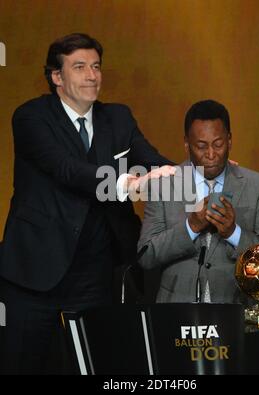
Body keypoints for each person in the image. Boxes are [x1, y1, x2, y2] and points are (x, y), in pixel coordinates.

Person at [0, 33, 175, 374]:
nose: (91, 75)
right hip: (33, 271)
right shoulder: (31, 117)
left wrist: (201, 177)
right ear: (56, 77)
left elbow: (153, 162)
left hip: (96, 273)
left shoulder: (119, 118)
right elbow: (67, 169)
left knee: (99, 366)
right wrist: (128, 183)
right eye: (79, 67)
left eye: (96, 66)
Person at [138, 99, 259, 304]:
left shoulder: (256, 185)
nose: (211, 154)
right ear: (187, 144)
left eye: (218, 144)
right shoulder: (163, 185)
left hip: (236, 310)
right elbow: (147, 255)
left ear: (229, 140)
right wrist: (191, 226)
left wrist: (234, 233)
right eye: (201, 146)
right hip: (177, 314)